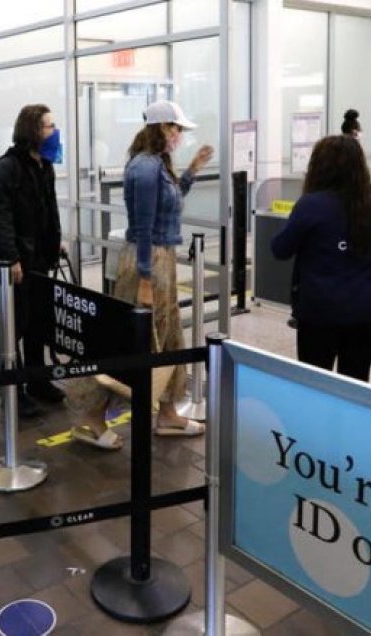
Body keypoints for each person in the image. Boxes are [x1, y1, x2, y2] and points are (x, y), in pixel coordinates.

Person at [66, 100, 213, 449]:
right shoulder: (146, 169)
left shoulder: (155, 164)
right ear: (160, 128)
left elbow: (171, 201)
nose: (179, 135)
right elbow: (144, 227)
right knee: (132, 341)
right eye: (176, 128)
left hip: (158, 259)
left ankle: (167, 412)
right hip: (148, 262)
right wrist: (146, 279)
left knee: (166, 335)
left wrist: (192, 169)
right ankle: (91, 418)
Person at [271, 135, 371, 381]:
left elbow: (280, 249)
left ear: (319, 166)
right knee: (355, 386)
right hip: (367, 310)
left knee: (316, 385)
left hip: (320, 313)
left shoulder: (311, 205)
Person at [0, 104, 65, 417]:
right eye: (48, 125)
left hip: (40, 260)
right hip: (18, 263)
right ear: (32, 129)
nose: (53, 131)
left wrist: (55, 242)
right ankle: (15, 390)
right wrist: (11, 258)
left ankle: (38, 380)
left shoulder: (45, 165)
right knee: (15, 326)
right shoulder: (9, 166)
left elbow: (50, 210)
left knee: (39, 324)